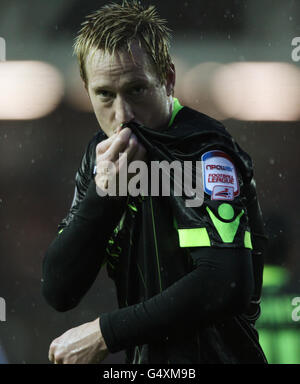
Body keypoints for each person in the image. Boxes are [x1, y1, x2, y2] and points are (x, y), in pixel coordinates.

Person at [42, 0, 268, 364]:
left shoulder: (204, 151)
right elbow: (59, 290)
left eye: (136, 90)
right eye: (105, 94)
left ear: (168, 79)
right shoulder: (100, 157)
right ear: (86, 89)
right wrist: (104, 195)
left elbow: (225, 283)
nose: (123, 115)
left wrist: (105, 333)